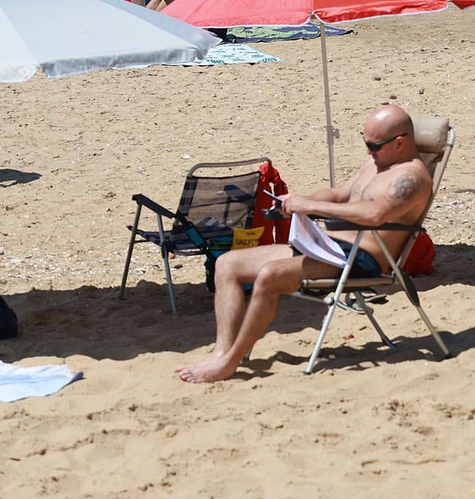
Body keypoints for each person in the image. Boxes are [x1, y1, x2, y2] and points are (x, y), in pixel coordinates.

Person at [176, 103, 431, 383]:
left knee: (270, 276)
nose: (369, 151)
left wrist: (308, 206)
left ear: (399, 143)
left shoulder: (412, 176)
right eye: (366, 143)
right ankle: (221, 352)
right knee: (226, 265)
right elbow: (337, 194)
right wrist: (296, 202)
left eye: (375, 146)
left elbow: (375, 214)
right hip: (329, 247)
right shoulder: (376, 164)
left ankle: (231, 361)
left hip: (362, 259)